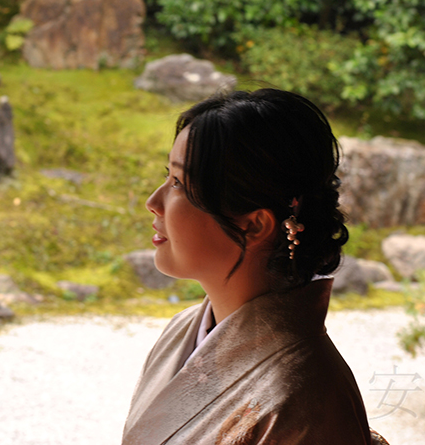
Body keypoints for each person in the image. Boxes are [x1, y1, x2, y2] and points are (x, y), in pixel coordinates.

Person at [122, 89, 388, 445]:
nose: (153, 202)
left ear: (254, 224)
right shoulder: (181, 330)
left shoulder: (303, 393)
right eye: (168, 177)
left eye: (178, 184)